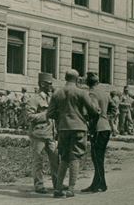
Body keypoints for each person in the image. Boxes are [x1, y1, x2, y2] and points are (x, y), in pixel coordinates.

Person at [47, 69, 99, 198]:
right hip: (79, 128)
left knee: (64, 157)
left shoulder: (57, 93)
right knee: (74, 157)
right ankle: (71, 189)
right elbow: (93, 111)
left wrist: (62, 118)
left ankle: (58, 188)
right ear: (77, 79)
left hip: (63, 128)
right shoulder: (81, 92)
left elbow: (50, 113)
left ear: (65, 78)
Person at [26, 73, 59, 194]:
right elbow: (29, 117)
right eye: (49, 84)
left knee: (55, 159)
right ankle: (39, 185)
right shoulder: (34, 99)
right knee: (38, 161)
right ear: (42, 84)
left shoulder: (51, 98)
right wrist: (46, 114)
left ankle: (58, 183)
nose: (51, 86)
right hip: (38, 134)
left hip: (50, 134)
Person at [81, 72, 113, 193]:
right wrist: (107, 117)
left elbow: (94, 110)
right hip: (106, 127)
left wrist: (89, 120)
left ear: (87, 82)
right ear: (97, 82)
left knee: (97, 157)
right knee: (99, 157)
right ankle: (96, 183)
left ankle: (101, 184)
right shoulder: (104, 93)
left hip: (97, 129)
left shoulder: (91, 93)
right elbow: (113, 107)